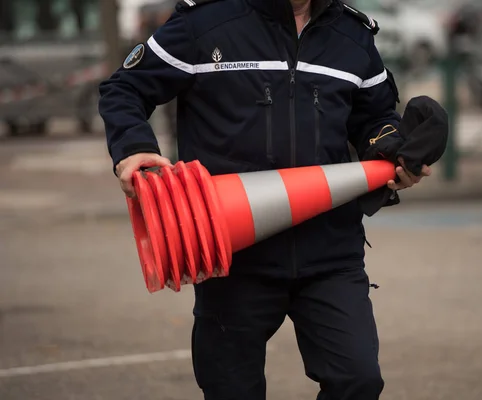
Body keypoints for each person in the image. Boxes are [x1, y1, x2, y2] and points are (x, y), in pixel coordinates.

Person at [98, 0, 446, 399]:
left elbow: (375, 117)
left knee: (358, 381)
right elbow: (124, 88)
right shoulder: (205, 22)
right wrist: (132, 148)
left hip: (330, 252)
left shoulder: (353, 36)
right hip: (231, 253)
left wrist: (394, 153)